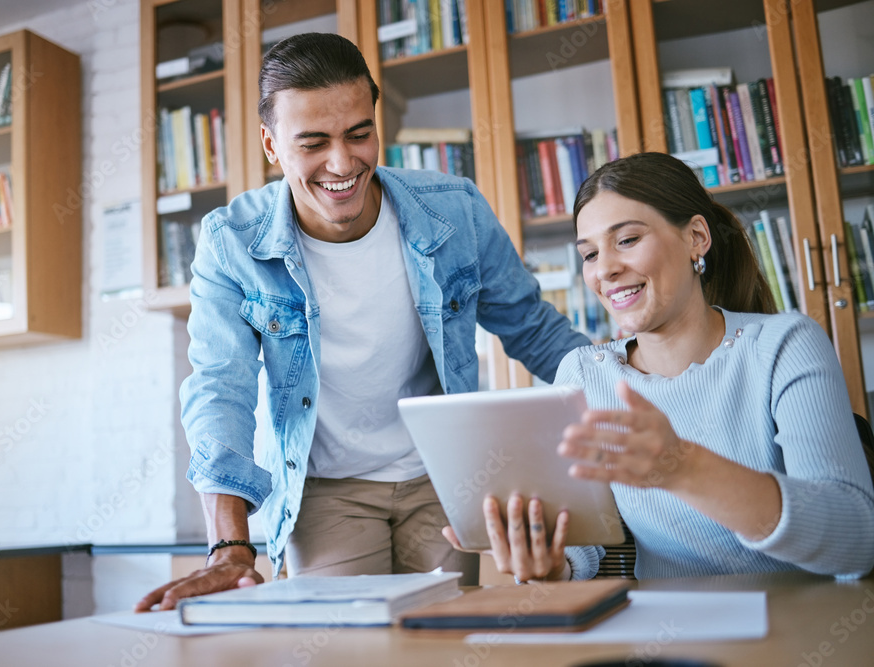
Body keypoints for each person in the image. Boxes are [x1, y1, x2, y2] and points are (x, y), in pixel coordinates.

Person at [135, 32, 590, 611]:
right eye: (313, 142)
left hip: (441, 477)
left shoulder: (454, 209)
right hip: (326, 488)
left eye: (359, 133)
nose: (343, 164)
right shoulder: (232, 243)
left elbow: (533, 329)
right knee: (345, 644)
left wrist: (639, 398)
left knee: (443, 637)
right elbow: (219, 387)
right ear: (272, 146)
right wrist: (229, 545)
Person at [444, 151, 874, 583]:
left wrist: (685, 467)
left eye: (627, 240)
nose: (606, 270)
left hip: (800, 629)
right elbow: (586, 536)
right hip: (665, 634)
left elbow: (856, 539)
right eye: (590, 254)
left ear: (696, 238)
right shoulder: (584, 374)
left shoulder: (785, 345)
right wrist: (553, 562)